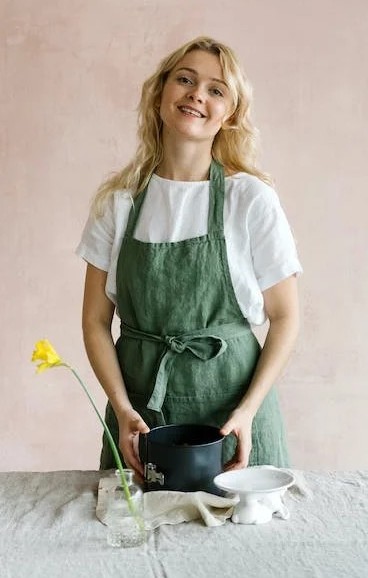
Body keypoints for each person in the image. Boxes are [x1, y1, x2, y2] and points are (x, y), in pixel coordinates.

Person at [76, 36, 302, 478]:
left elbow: (286, 316)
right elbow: (94, 322)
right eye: (185, 79)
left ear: (230, 113)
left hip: (234, 419)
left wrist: (248, 411)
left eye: (217, 89)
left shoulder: (250, 199)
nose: (198, 93)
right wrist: (123, 410)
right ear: (161, 92)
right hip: (142, 418)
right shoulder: (118, 204)